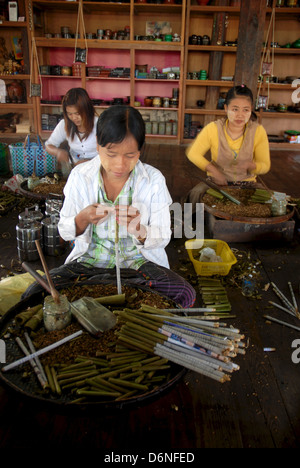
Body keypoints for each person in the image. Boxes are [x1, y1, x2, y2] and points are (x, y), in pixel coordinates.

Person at [25, 105, 196, 309]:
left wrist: (140, 230)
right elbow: (65, 231)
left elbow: (163, 236)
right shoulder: (81, 177)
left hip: (138, 266)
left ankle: (116, 297)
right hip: (88, 265)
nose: (120, 165)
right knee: (33, 294)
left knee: (185, 295)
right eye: (111, 154)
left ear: (140, 150)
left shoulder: (153, 180)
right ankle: (120, 299)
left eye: (130, 155)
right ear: (98, 145)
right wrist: (83, 219)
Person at [185, 85, 271, 207]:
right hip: (216, 183)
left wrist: (252, 166)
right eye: (235, 109)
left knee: (269, 204)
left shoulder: (257, 131)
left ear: (251, 109)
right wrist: (214, 170)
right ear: (226, 108)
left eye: (245, 110)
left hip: (247, 184)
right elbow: (193, 154)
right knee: (196, 194)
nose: (240, 115)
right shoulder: (213, 128)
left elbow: (265, 165)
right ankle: (190, 224)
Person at [45, 87, 98, 166]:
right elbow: (48, 145)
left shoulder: (99, 124)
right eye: (70, 114)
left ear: (87, 110)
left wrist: (88, 162)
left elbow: (109, 152)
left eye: (77, 113)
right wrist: (58, 152)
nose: (74, 118)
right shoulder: (64, 124)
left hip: (98, 167)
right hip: (75, 168)